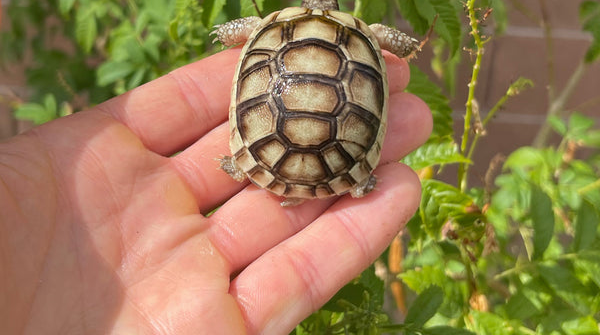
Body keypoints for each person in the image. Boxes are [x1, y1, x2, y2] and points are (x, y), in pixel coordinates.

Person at [1, 48, 431, 334]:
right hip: (339, 153)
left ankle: (243, 163)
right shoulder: (364, 43)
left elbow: (248, 41)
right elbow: (377, 50)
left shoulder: (270, 32)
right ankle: (355, 178)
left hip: (268, 151)